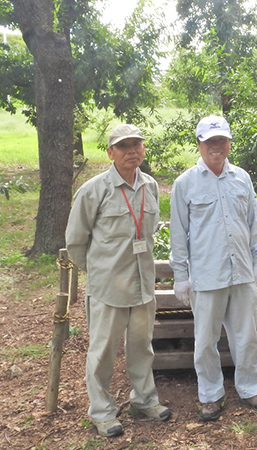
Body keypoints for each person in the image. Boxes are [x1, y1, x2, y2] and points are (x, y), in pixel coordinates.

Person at [66, 124, 172, 438]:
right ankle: (101, 412)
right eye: (123, 146)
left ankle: (144, 401)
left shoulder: (150, 186)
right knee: (102, 353)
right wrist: (100, 273)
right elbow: (75, 243)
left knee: (142, 347)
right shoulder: (93, 190)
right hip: (108, 289)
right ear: (110, 152)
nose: (131, 151)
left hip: (142, 285)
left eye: (136, 144)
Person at [169, 115, 257, 422]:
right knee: (205, 341)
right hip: (206, 276)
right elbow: (178, 234)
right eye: (209, 142)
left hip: (241, 272)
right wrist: (181, 277)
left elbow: (254, 224)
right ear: (199, 144)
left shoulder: (242, 178)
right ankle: (210, 395)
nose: (216, 147)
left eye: (221, 141)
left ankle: (251, 388)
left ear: (229, 143)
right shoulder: (184, 183)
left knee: (246, 336)